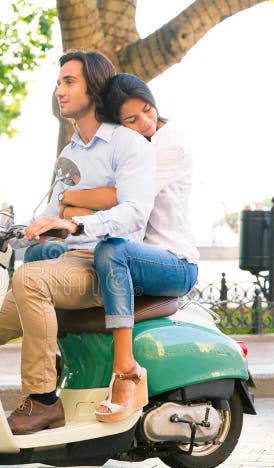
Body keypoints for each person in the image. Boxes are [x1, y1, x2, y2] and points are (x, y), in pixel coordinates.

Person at [0, 51, 156, 435]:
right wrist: (13, 232)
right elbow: (51, 216)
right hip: (67, 262)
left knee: (31, 279)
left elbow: (134, 213)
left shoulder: (127, 143)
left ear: (93, 88)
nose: (59, 91)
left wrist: (75, 223)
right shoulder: (69, 153)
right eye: (59, 82)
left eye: (69, 82)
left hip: (104, 263)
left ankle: (44, 401)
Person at [57, 73, 199, 422]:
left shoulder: (170, 145)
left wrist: (70, 200)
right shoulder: (128, 147)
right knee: (46, 257)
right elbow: (106, 200)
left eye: (147, 112)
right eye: (131, 120)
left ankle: (127, 370)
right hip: (139, 257)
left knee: (112, 251)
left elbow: (124, 198)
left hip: (173, 261)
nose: (145, 123)